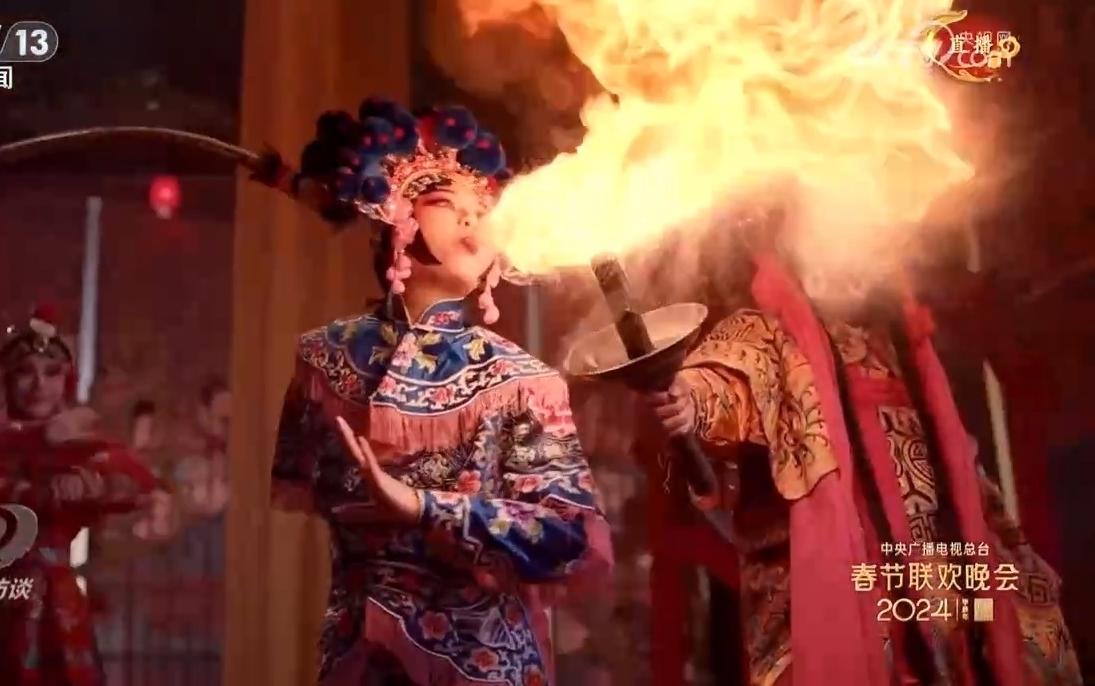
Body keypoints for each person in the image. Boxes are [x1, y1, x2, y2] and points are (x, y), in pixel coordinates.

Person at [645, 206, 1082, 686]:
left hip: (945, 576)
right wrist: (689, 401)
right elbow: (726, 379)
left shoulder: (904, 343)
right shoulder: (765, 332)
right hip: (844, 577)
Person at [260, 98, 613, 686]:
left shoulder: (521, 381)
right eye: (447, 204)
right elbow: (314, 489)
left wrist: (424, 507)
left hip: (483, 661)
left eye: (482, 210)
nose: (473, 220)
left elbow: (568, 536)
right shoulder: (323, 361)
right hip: (359, 657)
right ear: (393, 215)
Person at [0, 305, 158, 686]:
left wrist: (93, 483)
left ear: (66, 381)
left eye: (51, 373)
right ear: (6, 380)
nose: (38, 385)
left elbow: (139, 484)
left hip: (51, 609)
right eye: (25, 372)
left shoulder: (78, 450)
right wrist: (41, 446)